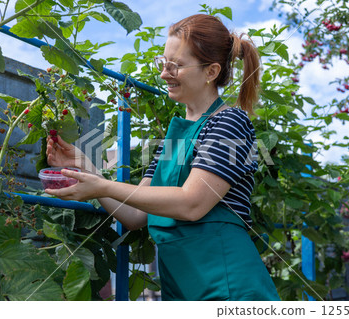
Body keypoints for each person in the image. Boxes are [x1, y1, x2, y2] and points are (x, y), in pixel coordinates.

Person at [45, 14, 280, 301]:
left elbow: (193, 203)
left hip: (227, 285)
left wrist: (101, 187)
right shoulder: (174, 135)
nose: (165, 73)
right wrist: (86, 168)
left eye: (176, 66)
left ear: (211, 72)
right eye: (163, 63)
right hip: (180, 287)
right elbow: (135, 214)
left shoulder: (230, 122)